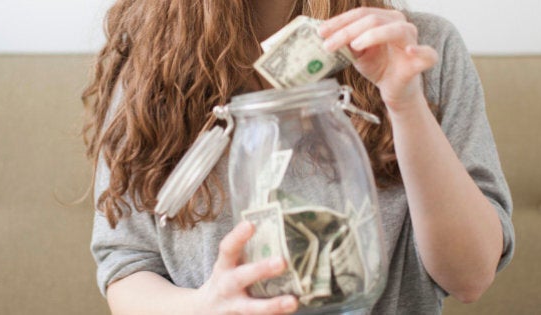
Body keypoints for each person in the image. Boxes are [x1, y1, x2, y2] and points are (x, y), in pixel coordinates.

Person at [83, 0, 514, 314]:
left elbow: (471, 277)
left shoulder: (418, 49)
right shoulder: (149, 67)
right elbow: (127, 266)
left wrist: (405, 105)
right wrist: (204, 307)